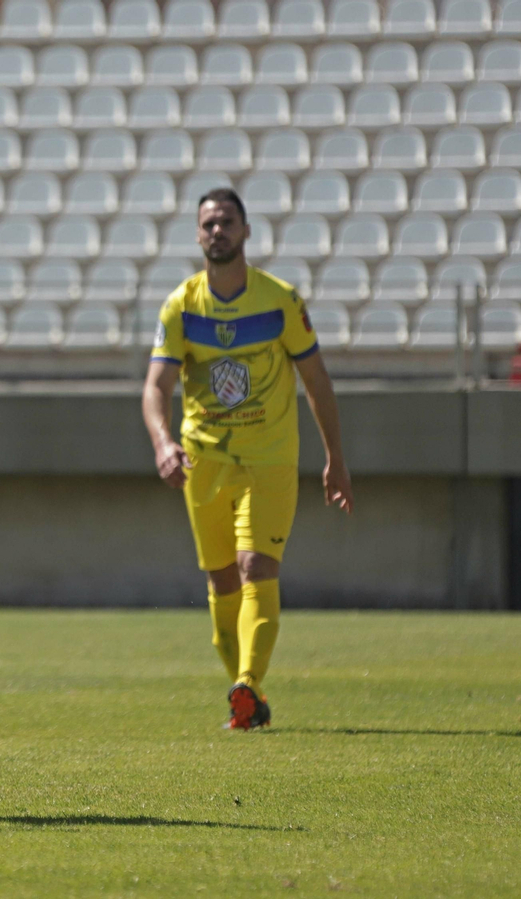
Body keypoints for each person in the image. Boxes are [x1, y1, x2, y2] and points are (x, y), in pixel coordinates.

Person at [142, 188, 352, 731]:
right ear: (198, 234)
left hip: (269, 460)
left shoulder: (280, 300)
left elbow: (316, 381)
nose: (217, 231)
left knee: (255, 567)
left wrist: (335, 456)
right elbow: (155, 387)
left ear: (246, 230)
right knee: (220, 584)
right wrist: (164, 443)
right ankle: (246, 693)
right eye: (208, 223)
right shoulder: (182, 306)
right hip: (203, 463)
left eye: (227, 221)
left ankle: (247, 685)